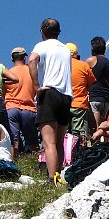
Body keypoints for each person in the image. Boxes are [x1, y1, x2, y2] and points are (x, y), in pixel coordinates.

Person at [28, 18, 73, 182]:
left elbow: (32, 60)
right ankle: (59, 176)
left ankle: (51, 178)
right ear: (59, 32)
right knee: (60, 141)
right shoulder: (66, 49)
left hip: (49, 93)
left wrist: (36, 86)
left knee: (49, 142)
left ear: (42, 32)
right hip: (66, 96)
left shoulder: (42, 46)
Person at [4, 47, 39, 156]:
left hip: (11, 108)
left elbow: (3, 92)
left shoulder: (8, 73)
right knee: (32, 140)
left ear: (12, 58)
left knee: (14, 139)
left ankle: (14, 161)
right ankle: (35, 162)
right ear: (25, 57)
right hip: (29, 109)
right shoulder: (32, 72)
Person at [67, 43, 96, 141]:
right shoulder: (84, 65)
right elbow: (91, 85)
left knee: (64, 135)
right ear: (76, 55)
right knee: (79, 136)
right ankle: (79, 154)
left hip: (63, 104)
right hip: (79, 105)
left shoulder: (59, 65)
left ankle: (64, 155)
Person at [86, 37, 109, 127]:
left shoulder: (92, 60)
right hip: (106, 99)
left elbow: (81, 72)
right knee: (102, 127)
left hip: (94, 97)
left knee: (95, 128)